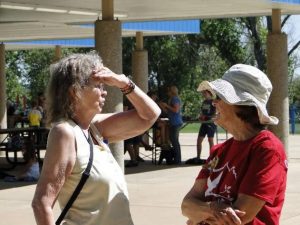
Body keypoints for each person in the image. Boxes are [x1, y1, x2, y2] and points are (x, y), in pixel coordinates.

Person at [31, 52, 161, 225]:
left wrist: (123, 82)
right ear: (74, 92)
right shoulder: (65, 133)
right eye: (98, 86)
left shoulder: (94, 127)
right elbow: (42, 203)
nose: (104, 92)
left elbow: (151, 115)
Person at [181, 64, 287, 225]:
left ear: (242, 105)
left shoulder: (267, 148)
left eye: (220, 97)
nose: (214, 102)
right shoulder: (218, 151)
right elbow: (186, 206)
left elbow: (240, 216)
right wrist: (213, 208)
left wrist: (198, 215)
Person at [186, 90, 216, 165]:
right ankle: (198, 157)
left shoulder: (213, 102)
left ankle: (211, 157)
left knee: (210, 140)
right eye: (203, 93)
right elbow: (202, 112)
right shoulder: (204, 102)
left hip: (211, 123)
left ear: (210, 93)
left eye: (205, 93)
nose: (203, 94)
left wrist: (207, 117)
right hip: (204, 123)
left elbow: (215, 114)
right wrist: (200, 117)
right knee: (199, 140)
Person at [159, 85, 183, 164]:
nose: (167, 93)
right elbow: (168, 112)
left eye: (169, 91)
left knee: (174, 141)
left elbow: (176, 110)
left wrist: (166, 106)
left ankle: (177, 159)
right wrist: (163, 107)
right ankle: (176, 159)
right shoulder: (171, 99)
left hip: (176, 122)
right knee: (173, 140)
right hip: (173, 122)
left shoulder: (175, 99)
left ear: (172, 92)